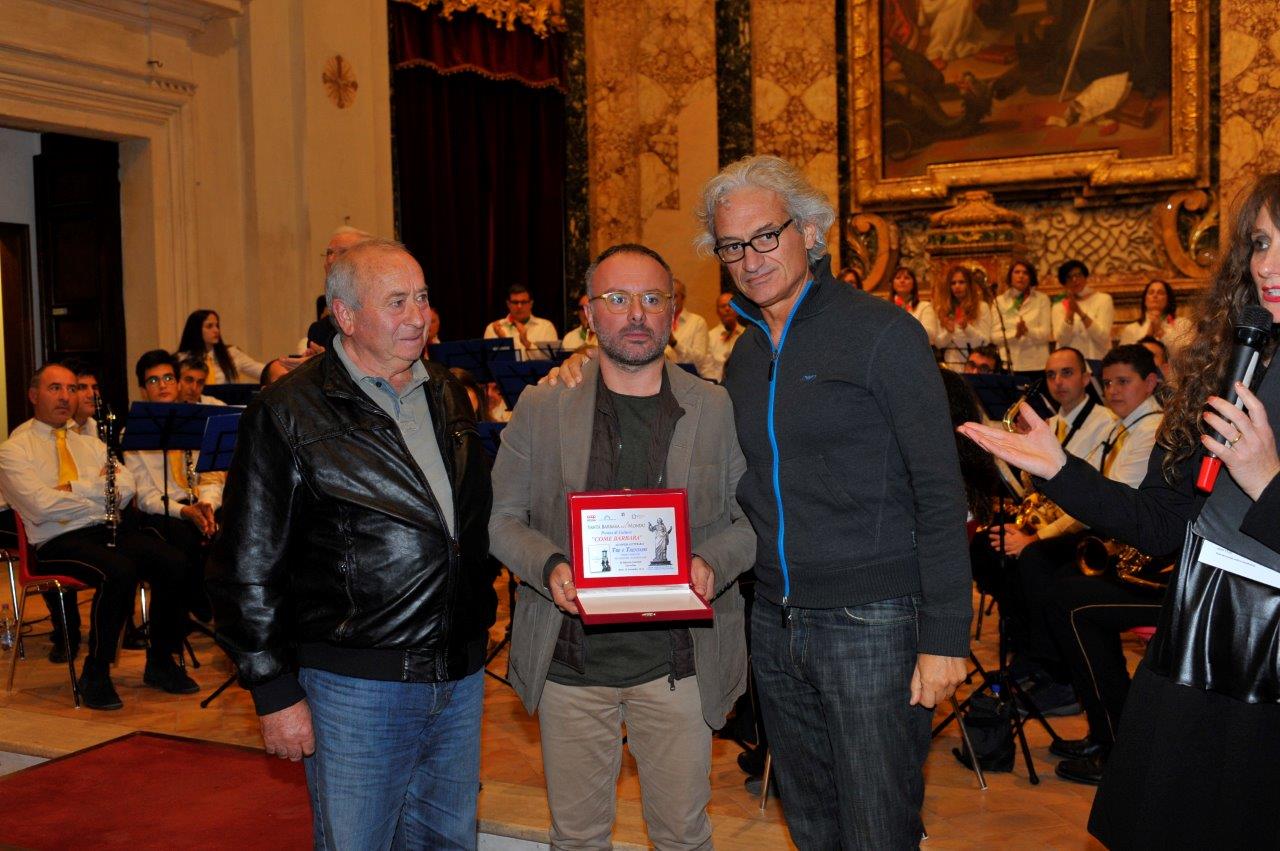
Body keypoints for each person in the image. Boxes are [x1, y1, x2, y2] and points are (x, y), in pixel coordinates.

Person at [957, 171, 1280, 848]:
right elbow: (1160, 524)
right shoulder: (1231, 362)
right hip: (1199, 628)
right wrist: (1058, 470)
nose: (1267, 266)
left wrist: (1266, 480)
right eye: (1259, 243)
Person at [695, 155, 971, 847]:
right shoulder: (744, 356)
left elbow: (941, 489)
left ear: (811, 231)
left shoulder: (882, 332)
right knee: (812, 825)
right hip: (775, 619)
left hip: (872, 619)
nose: (750, 258)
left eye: (766, 236)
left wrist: (945, 635)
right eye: (732, 246)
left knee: (877, 828)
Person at [207, 238, 495, 849]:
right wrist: (273, 689)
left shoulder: (447, 391)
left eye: (422, 298)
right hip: (357, 687)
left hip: (459, 675)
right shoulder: (287, 410)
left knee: (448, 842)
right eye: (396, 302)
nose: (417, 316)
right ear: (345, 315)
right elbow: (248, 563)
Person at [489, 243, 755, 849]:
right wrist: (548, 566)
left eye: (652, 298)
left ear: (672, 312)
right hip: (571, 665)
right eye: (617, 298)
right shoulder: (543, 405)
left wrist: (710, 562)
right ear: (588, 313)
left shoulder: (714, 407)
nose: (636, 313)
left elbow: (750, 522)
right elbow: (501, 520)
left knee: (683, 836)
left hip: (679, 664)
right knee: (578, 837)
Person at [0, 363, 198, 709]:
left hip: (103, 529)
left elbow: (125, 488)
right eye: (55, 388)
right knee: (118, 570)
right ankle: (96, 672)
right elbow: (40, 507)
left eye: (72, 388)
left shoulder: (90, 444)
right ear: (33, 395)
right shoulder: (13, 450)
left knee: (174, 561)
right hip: (54, 540)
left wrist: (73, 489)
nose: (66, 397)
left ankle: (161, 662)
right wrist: (96, 491)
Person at [1002, 345, 1164, 719]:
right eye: (1109, 383)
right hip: (1115, 535)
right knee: (1037, 570)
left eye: (1123, 382)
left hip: (1138, 551)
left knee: (1054, 579)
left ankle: (1064, 682)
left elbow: (1110, 503)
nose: (1113, 391)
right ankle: (1050, 671)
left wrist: (1041, 536)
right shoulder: (1127, 426)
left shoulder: (1149, 430)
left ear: (1151, 382)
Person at [125, 350, 222, 621]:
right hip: (161, 512)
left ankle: (225, 611)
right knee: (182, 539)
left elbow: (211, 475)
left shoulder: (197, 421)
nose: (163, 385)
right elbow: (145, 496)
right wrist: (184, 511)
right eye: (153, 381)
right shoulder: (133, 432)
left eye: (168, 378)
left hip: (199, 501)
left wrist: (207, 505)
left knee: (235, 530)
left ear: (178, 383)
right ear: (143, 390)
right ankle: (193, 605)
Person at [992, 259, 1052, 373]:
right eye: (1017, 272)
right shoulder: (1000, 301)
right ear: (1010, 276)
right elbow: (994, 337)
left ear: (1031, 277)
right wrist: (1016, 334)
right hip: (1008, 364)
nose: (1021, 276)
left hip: (1036, 364)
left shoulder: (1042, 299)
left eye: (1025, 273)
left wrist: (1027, 331)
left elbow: (1046, 334)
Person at [177, 309, 264, 384]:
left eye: (217, 326)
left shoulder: (232, 354)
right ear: (196, 330)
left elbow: (262, 372)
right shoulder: (182, 359)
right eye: (209, 326)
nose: (216, 330)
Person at [1051, 260, 1114, 361]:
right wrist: (1070, 313)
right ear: (1064, 283)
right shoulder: (1058, 306)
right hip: (1069, 362)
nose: (1075, 280)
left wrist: (1080, 313)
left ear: (1085, 277)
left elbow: (1103, 338)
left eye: (1078, 275)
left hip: (1097, 359)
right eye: (1069, 277)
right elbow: (1061, 341)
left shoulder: (1103, 299)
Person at [934, 264, 992, 370]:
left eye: (961, 282)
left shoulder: (982, 307)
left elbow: (985, 341)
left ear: (969, 285)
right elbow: (939, 344)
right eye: (953, 283)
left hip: (975, 367)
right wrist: (949, 332)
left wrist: (967, 328)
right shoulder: (942, 309)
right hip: (951, 366)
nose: (957, 286)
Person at [1117, 278, 1193, 354]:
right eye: (1151, 292)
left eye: (1160, 293)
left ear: (1168, 299)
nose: (1155, 295)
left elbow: (1187, 353)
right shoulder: (1132, 329)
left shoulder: (1183, 324)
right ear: (1145, 300)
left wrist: (1160, 333)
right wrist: (1147, 337)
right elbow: (1123, 357)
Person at [485, 283, 559, 359]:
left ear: (531, 304)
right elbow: (489, 361)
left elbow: (551, 359)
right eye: (515, 302)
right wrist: (504, 341)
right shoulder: (493, 328)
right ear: (508, 304)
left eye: (523, 302)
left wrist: (526, 342)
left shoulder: (546, 327)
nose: (519, 306)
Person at [666, 278, 711, 375]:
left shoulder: (697, 322)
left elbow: (700, 360)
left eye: (674, 296)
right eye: (667, 296)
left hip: (689, 378)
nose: (670, 301)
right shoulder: (659, 323)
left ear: (683, 298)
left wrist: (674, 344)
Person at [889, 266, 940, 346]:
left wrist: (906, 325)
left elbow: (931, 335)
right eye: (898, 278)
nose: (902, 281)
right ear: (892, 283)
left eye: (907, 278)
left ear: (914, 284)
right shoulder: (885, 307)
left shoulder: (924, 306)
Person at [706, 291, 746, 382]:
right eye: (723, 306)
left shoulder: (747, 335)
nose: (727, 309)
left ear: (738, 310)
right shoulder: (710, 336)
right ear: (717, 311)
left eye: (730, 305)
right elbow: (706, 367)